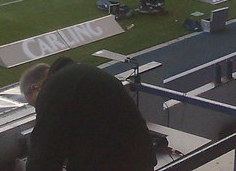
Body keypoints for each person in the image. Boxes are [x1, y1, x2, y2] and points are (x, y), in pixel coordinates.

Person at [20, 56, 156, 171]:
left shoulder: (54, 88)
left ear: (35, 88)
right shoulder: (84, 73)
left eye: (37, 104)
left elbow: (44, 151)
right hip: (139, 157)